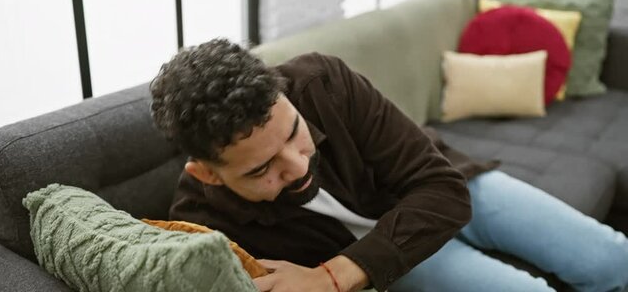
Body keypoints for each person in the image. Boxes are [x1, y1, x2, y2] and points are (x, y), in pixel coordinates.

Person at [149, 38, 628, 292]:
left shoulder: (321, 81)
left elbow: (441, 190)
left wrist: (333, 276)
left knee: (611, 257)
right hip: (391, 257)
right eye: (261, 170)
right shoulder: (202, 226)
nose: (296, 167)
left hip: (449, 185)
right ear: (207, 174)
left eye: (295, 133)